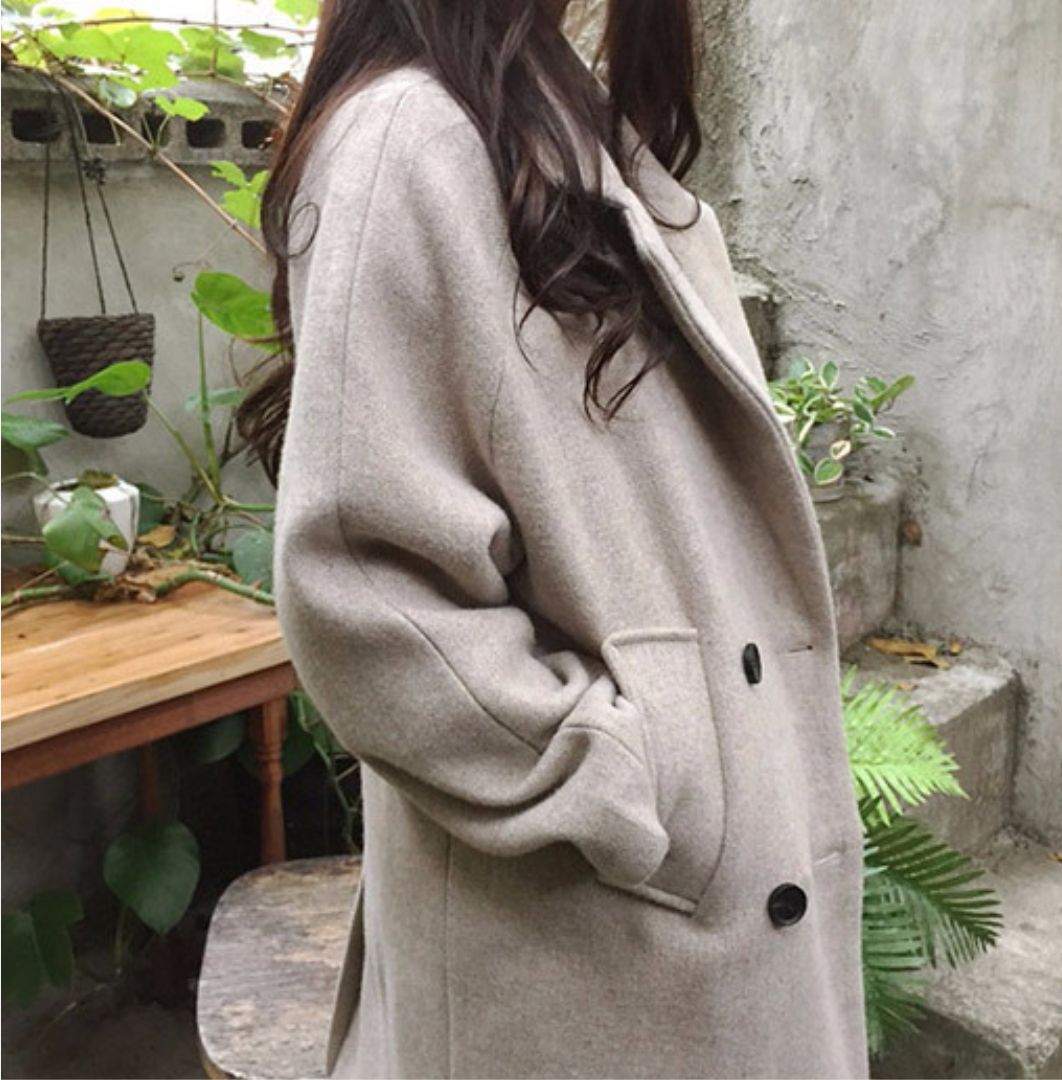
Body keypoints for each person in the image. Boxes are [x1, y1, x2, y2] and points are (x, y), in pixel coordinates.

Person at [236, 1, 869, 1077]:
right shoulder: (414, 137)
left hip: (666, 934)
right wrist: (636, 777)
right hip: (590, 952)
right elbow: (363, 591)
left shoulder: (557, 123)